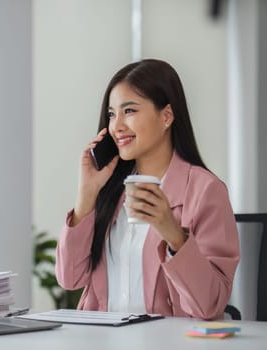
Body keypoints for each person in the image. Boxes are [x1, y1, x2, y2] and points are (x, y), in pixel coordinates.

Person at [55, 59, 239, 320]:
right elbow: (70, 278)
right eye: (111, 114)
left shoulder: (206, 191)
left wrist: (174, 235)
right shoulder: (109, 189)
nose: (116, 126)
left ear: (166, 116)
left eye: (129, 111)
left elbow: (209, 304)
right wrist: (86, 196)